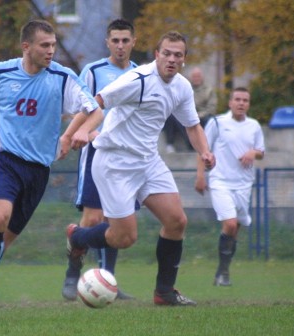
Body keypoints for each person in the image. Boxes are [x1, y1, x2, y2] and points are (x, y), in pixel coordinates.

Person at [0, 19, 104, 321]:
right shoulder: (1, 72)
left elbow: (95, 110)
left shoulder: (62, 77)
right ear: (27, 47)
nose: (51, 51)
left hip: (38, 171)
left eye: (53, 45)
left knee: (1, 244)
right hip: (6, 161)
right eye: (44, 45)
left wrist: (81, 131)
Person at [65, 31, 216, 306]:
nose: (171, 59)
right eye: (166, 53)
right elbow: (96, 102)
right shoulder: (139, 80)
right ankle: (78, 236)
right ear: (156, 55)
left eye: (177, 55)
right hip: (114, 162)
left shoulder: (182, 87)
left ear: (183, 60)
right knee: (124, 238)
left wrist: (204, 151)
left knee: (176, 221)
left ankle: (164, 293)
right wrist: (78, 132)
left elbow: (192, 125)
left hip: (147, 161)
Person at [60, 18, 138, 301]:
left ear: (133, 42)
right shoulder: (93, 70)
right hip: (96, 151)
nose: (120, 45)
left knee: (115, 219)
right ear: (107, 42)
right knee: (93, 218)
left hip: (126, 155)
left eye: (125, 40)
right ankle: (72, 273)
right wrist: (83, 132)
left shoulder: (140, 73)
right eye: (115, 40)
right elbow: (83, 106)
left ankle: (108, 282)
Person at [194, 87, 265, 287]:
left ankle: (222, 272)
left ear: (248, 104)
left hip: (243, 184)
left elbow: (261, 151)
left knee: (235, 229)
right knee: (230, 224)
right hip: (220, 181)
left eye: (245, 100)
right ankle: (223, 273)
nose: (241, 103)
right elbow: (203, 149)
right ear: (230, 103)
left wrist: (253, 153)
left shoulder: (254, 126)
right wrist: (200, 175)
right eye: (237, 99)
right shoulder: (217, 122)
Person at [163, 67, 216, 153]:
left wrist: (198, 115)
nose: (196, 79)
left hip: (203, 115)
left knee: (209, 120)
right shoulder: (185, 88)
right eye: (194, 76)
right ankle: (171, 144)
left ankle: (205, 146)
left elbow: (211, 108)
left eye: (198, 76)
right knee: (172, 117)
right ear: (191, 78)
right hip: (187, 114)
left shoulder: (209, 90)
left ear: (202, 77)